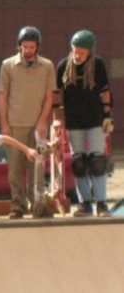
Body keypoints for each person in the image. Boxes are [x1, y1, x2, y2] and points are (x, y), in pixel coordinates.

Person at [0, 26, 56, 219]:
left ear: (37, 47)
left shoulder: (47, 65)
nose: (28, 50)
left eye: (32, 47)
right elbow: (2, 96)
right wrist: (4, 123)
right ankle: (17, 206)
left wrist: (42, 121)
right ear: (19, 46)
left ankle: (37, 205)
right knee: (14, 168)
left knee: (37, 168)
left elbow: (49, 97)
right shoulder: (8, 65)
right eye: (25, 47)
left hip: (37, 125)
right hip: (15, 124)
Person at [54, 30, 112, 217]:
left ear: (89, 51)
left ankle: (102, 204)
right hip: (74, 120)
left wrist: (107, 115)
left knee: (97, 162)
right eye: (75, 50)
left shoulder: (98, 65)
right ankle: (85, 203)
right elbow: (56, 95)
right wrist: (57, 119)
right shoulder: (63, 66)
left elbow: (104, 91)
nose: (78, 55)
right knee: (78, 163)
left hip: (95, 119)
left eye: (82, 51)